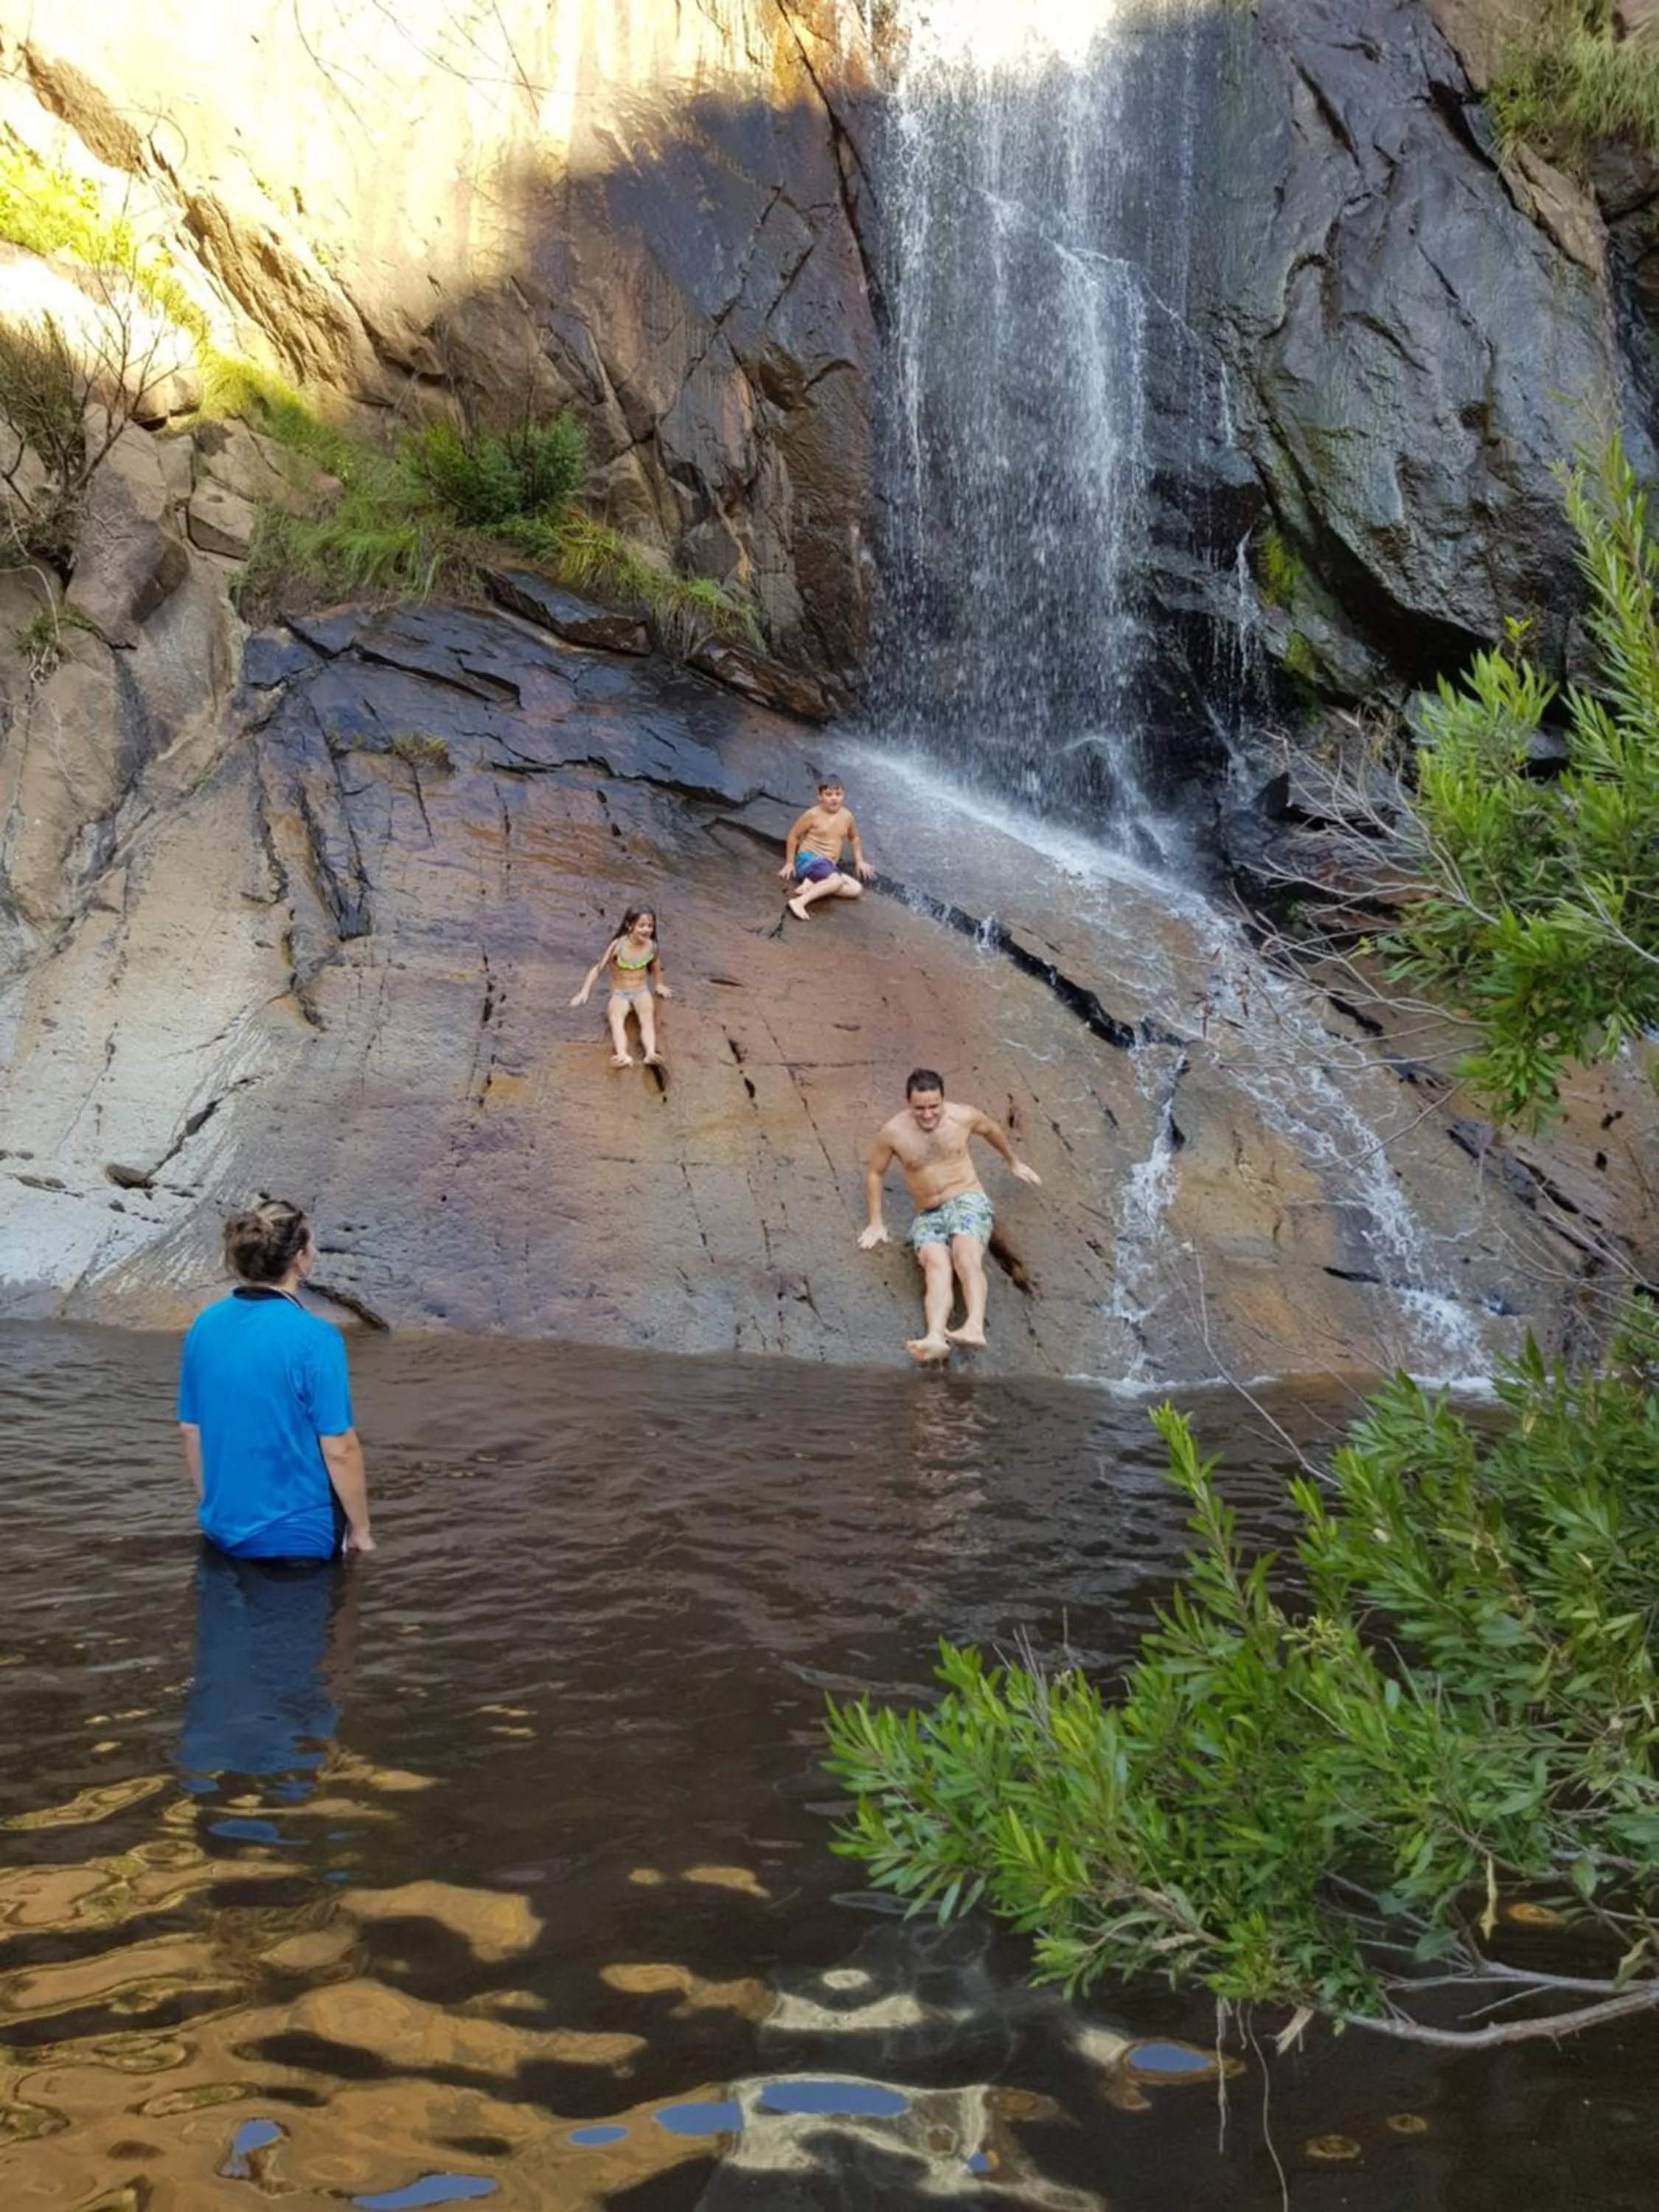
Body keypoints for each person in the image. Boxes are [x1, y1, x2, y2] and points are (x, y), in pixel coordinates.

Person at [177, 1200, 374, 1560]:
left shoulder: (204, 1325)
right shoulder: (316, 1337)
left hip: (222, 1529)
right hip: (297, 1538)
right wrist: (361, 1531)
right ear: (299, 1258)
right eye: (311, 1244)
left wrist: (215, 1506)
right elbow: (340, 1447)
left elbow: (191, 1430)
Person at [859, 1069, 1042, 1366]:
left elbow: (992, 1129)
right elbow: (875, 1172)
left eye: (934, 1106)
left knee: (965, 1252)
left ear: (943, 1099)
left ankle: (974, 1326)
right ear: (908, 1103)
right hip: (928, 1213)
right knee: (935, 1263)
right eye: (920, 1108)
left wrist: (1014, 1162)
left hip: (966, 1199)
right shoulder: (893, 1133)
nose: (928, 1115)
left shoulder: (963, 1116)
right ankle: (935, 1337)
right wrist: (876, 1221)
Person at [571, 905, 672, 1067]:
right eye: (642, 926)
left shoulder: (652, 947)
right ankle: (622, 1055)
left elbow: (656, 965)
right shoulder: (618, 946)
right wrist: (584, 991)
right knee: (616, 1019)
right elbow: (598, 969)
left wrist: (659, 984)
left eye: (650, 926)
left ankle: (650, 1053)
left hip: (641, 991)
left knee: (646, 1018)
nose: (646, 930)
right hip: (620, 994)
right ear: (629, 925)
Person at [778, 775, 874, 921]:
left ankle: (814, 884)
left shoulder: (847, 816)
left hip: (827, 866)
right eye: (828, 795)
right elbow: (794, 836)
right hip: (808, 859)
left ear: (844, 795)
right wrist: (790, 863)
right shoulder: (812, 815)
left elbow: (854, 838)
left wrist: (859, 861)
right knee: (836, 882)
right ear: (820, 797)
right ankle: (800, 901)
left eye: (838, 794)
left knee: (856, 889)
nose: (834, 798)